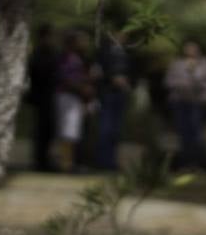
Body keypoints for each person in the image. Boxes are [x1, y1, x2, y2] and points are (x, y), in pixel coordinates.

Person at [164, 40, 206, 169]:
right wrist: (184, 85)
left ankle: (197, 161)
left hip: (198, 103)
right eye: (188, 48)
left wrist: (192, 74)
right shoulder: (176, 64)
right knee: (183, 131)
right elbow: (169, 82)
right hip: (180, 102)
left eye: (193, 48)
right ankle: (185, 161)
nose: (191, 51)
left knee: (197, 131)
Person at [54, 31, 93, 173]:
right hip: (67, 96)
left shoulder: (78, 58)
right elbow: (65, 78)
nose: (84, 44)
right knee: (67, 130)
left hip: (75, 97)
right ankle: (65, 163)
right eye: (81, 41)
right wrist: (82, 88)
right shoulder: (65, 58)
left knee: (73, 130)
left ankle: (70, 161)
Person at [94, 28, 131, 171]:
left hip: (121, 94)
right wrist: (113, 79)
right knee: (106, 128)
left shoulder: (127, 52)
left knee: (116, 129)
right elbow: (99, 72)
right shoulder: (104, 52)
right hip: (108, 93)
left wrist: (127, 83)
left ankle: (111, 161)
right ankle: (103, 160)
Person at [27, 24, 58, 172]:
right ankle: (40, 161)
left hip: (49, 95)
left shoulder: (50, 52)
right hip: (41, 96)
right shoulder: (39, 53)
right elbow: (38, 73)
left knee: (49, 131)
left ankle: (45, 160)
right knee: (41, 130)